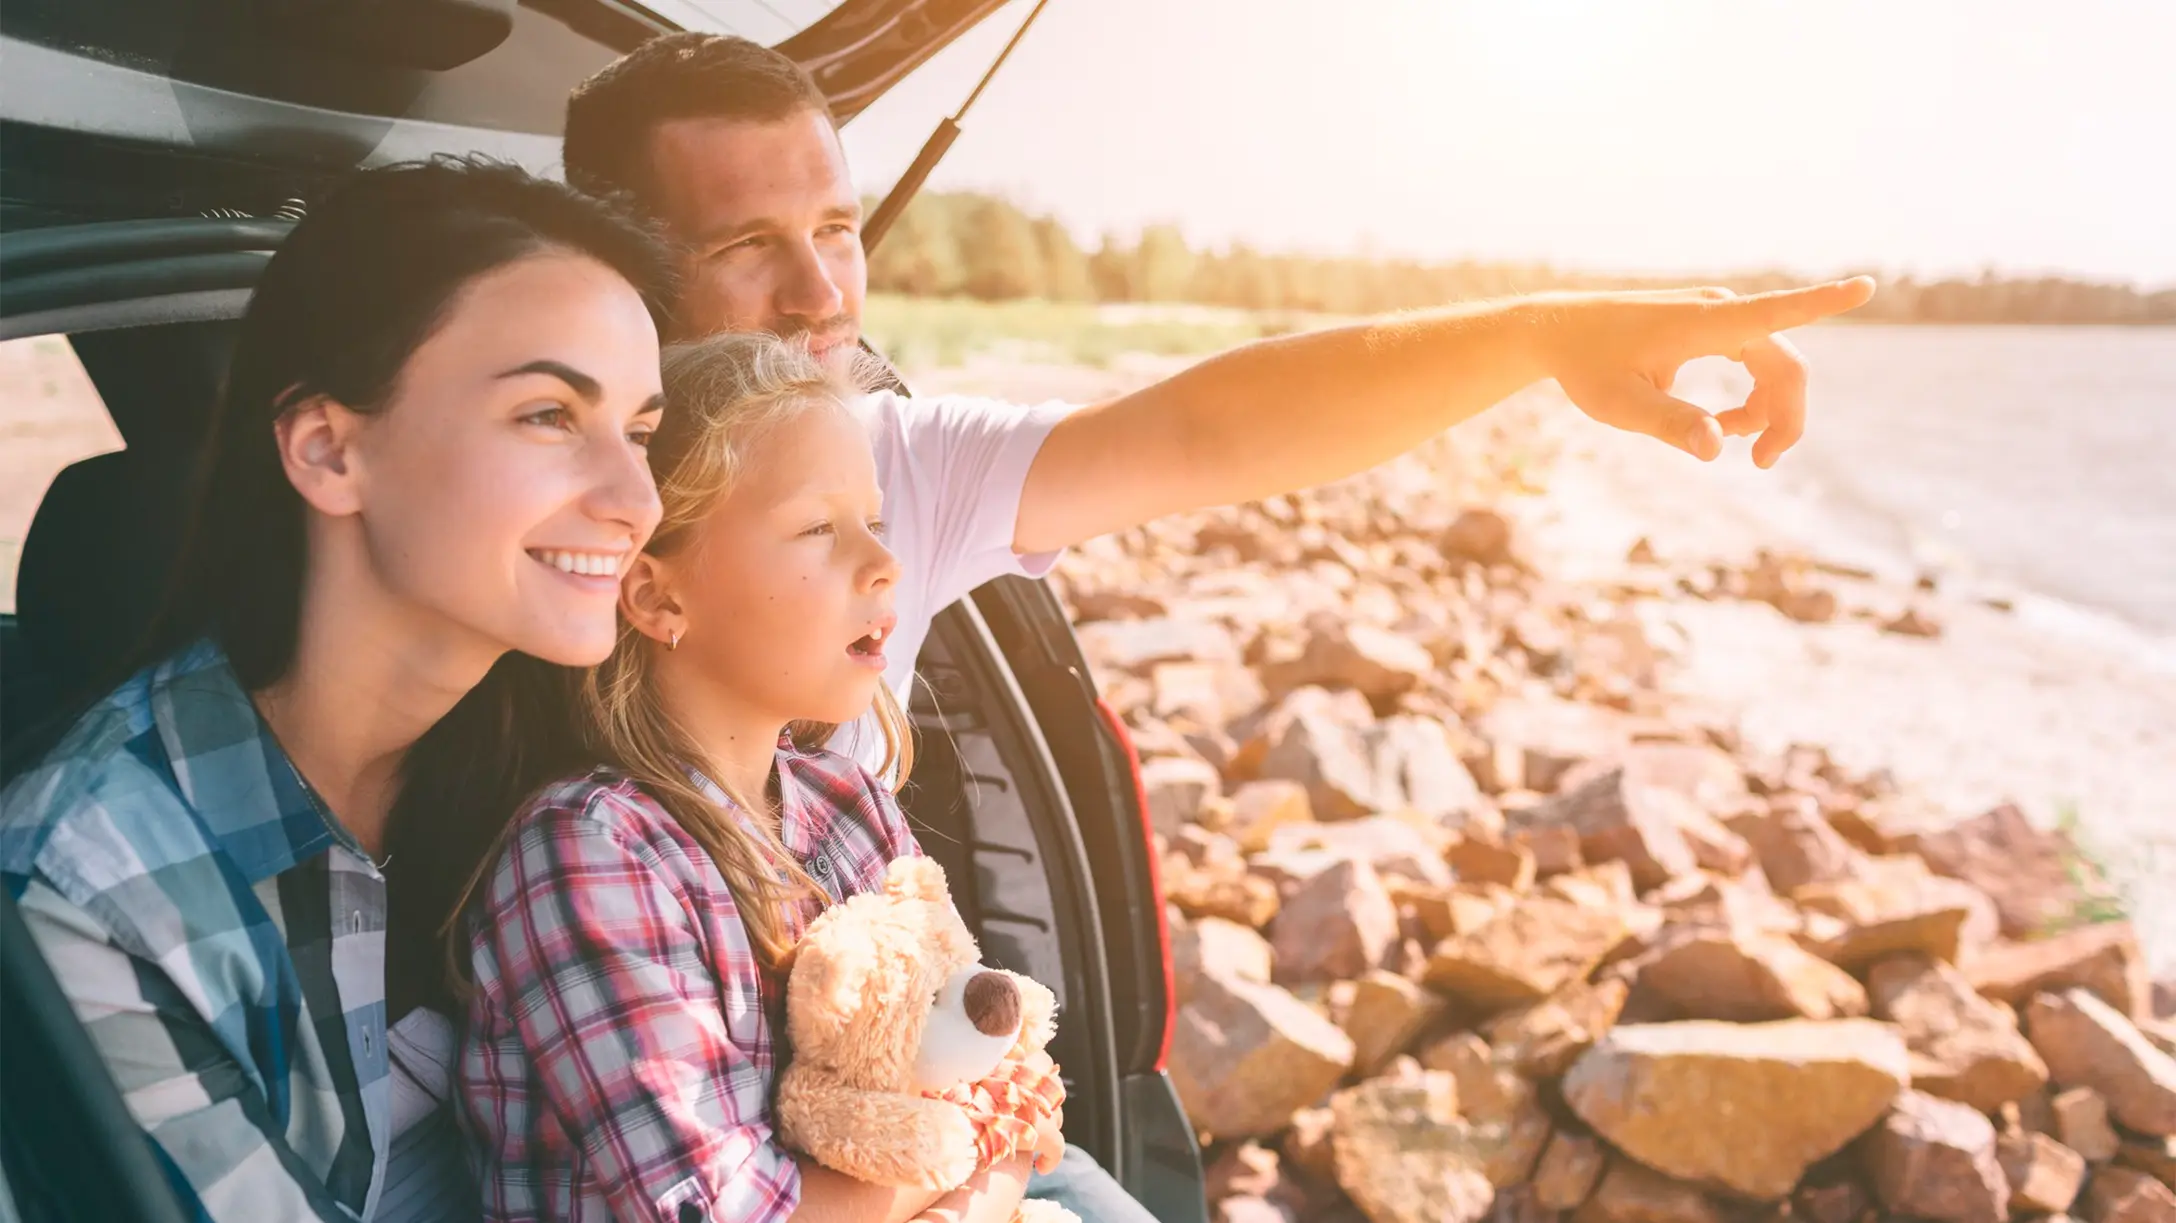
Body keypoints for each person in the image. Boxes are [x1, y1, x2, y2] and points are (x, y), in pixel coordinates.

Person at [543, 31, 1876, 1219]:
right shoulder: (529, 544)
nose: (824, 293)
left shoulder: (884, 453)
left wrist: (1540, 336)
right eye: (744, 246)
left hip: (940, 1135)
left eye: (837, 227)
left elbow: (1203, 428)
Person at [0, 155, 678, 1222]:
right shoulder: (95, 887)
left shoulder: (586, 783)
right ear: (327, 451)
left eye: (639, 430)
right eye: (549, 414)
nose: (636, 495)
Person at [451, 331, 1055, 1223]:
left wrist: (981, 1169)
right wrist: (970, 1166)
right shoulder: (589, 855)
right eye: (818, 528)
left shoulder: (850, 807)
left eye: (875, 524)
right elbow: (729, 1213)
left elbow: (1002, 1074)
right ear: (659, 597)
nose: (884, 562)